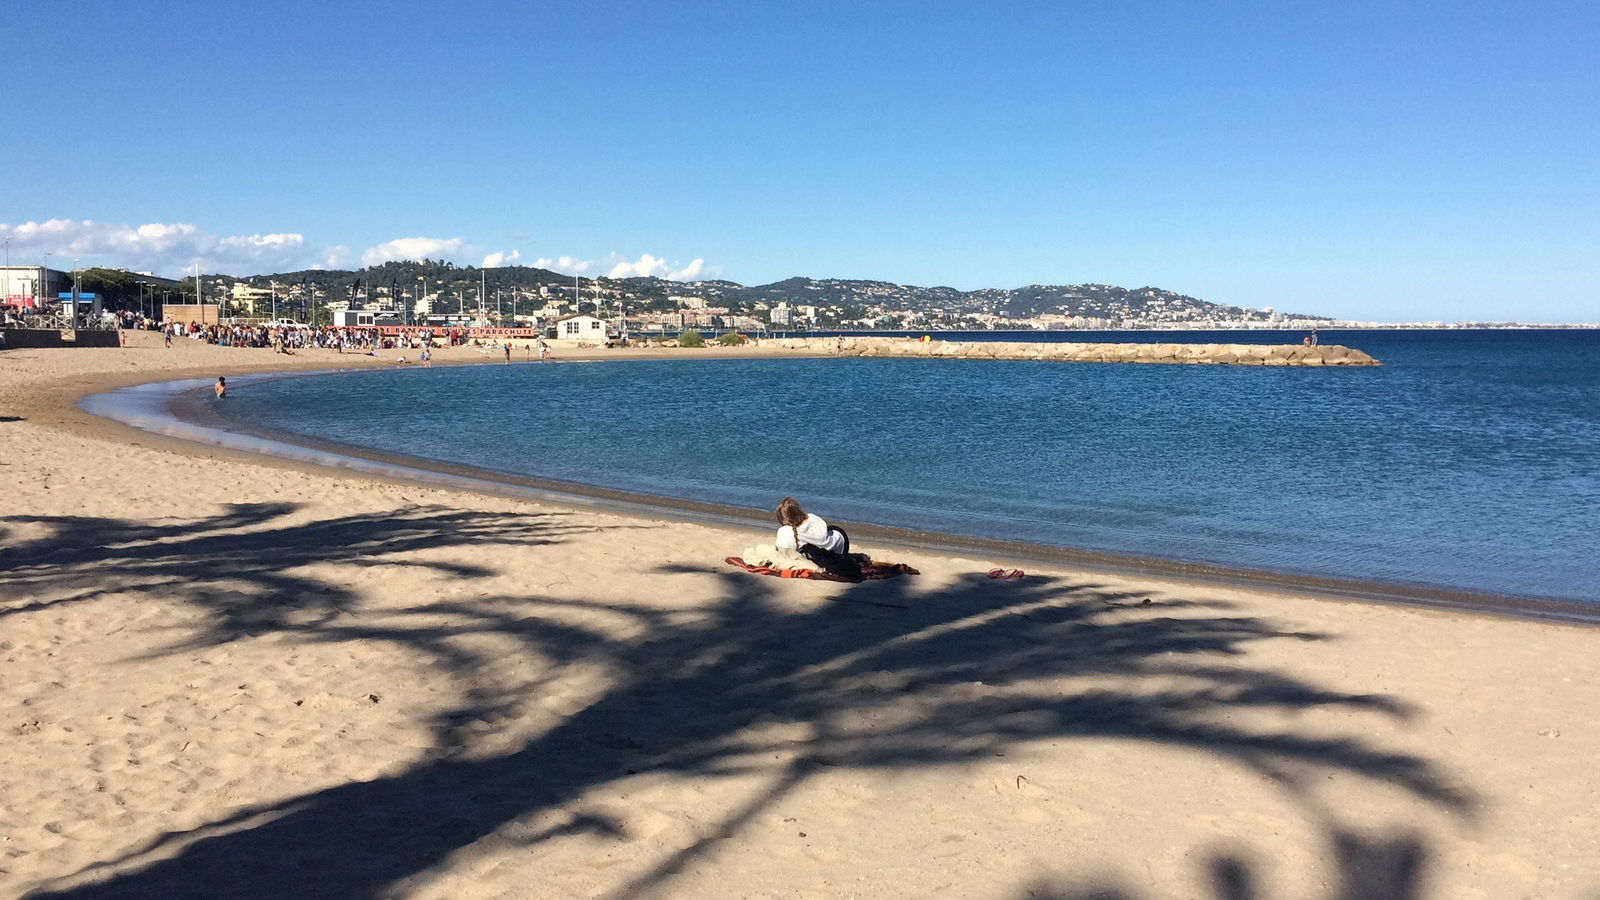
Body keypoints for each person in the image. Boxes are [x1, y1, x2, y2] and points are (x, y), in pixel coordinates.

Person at [774, 496, 862, 579]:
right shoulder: (812, 517)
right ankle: (855, 557)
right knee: (828, 532)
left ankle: (854, 557)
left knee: (816, 548)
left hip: (832, 550)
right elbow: (823, 532)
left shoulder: (793, 532)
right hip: (840, 538)